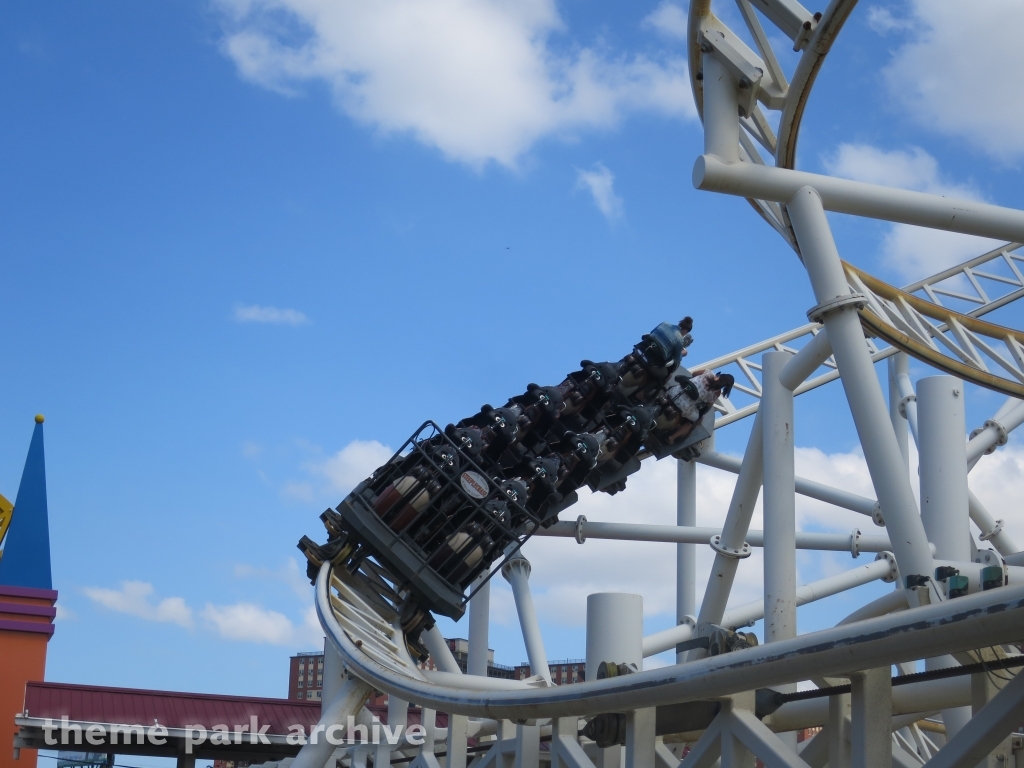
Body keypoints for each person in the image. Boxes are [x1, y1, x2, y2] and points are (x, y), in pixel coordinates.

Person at [664, 370, 734, 442]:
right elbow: (707, 406)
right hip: (684, 407)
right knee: (695, 420)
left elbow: (694, 373)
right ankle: (672, 437)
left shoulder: (708, 373)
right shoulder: (716, 393)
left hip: (673, 393)